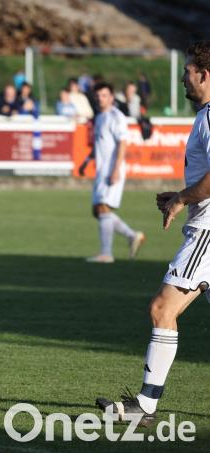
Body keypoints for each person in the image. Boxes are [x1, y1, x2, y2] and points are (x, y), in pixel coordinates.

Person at [96, 40, 210, 427]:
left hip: (207, 232)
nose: (182, 78)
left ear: (204, 75)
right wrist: (180, 195)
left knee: (162, 309)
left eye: (187, 72)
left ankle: (145, 407)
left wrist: (182, 198)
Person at [78, 82, 145, 264]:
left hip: (112, 169)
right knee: (97, 210)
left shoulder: (116, 116)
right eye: (98, 96)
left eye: (104, 95)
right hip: (102, 170)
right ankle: (132, 235)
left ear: (111, 98)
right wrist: (86, 161)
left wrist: (116, 169)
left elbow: (123, 143)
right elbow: (100, 144)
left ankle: (106, 253)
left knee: (102, 208)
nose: (100, 99)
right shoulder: (100, 116)